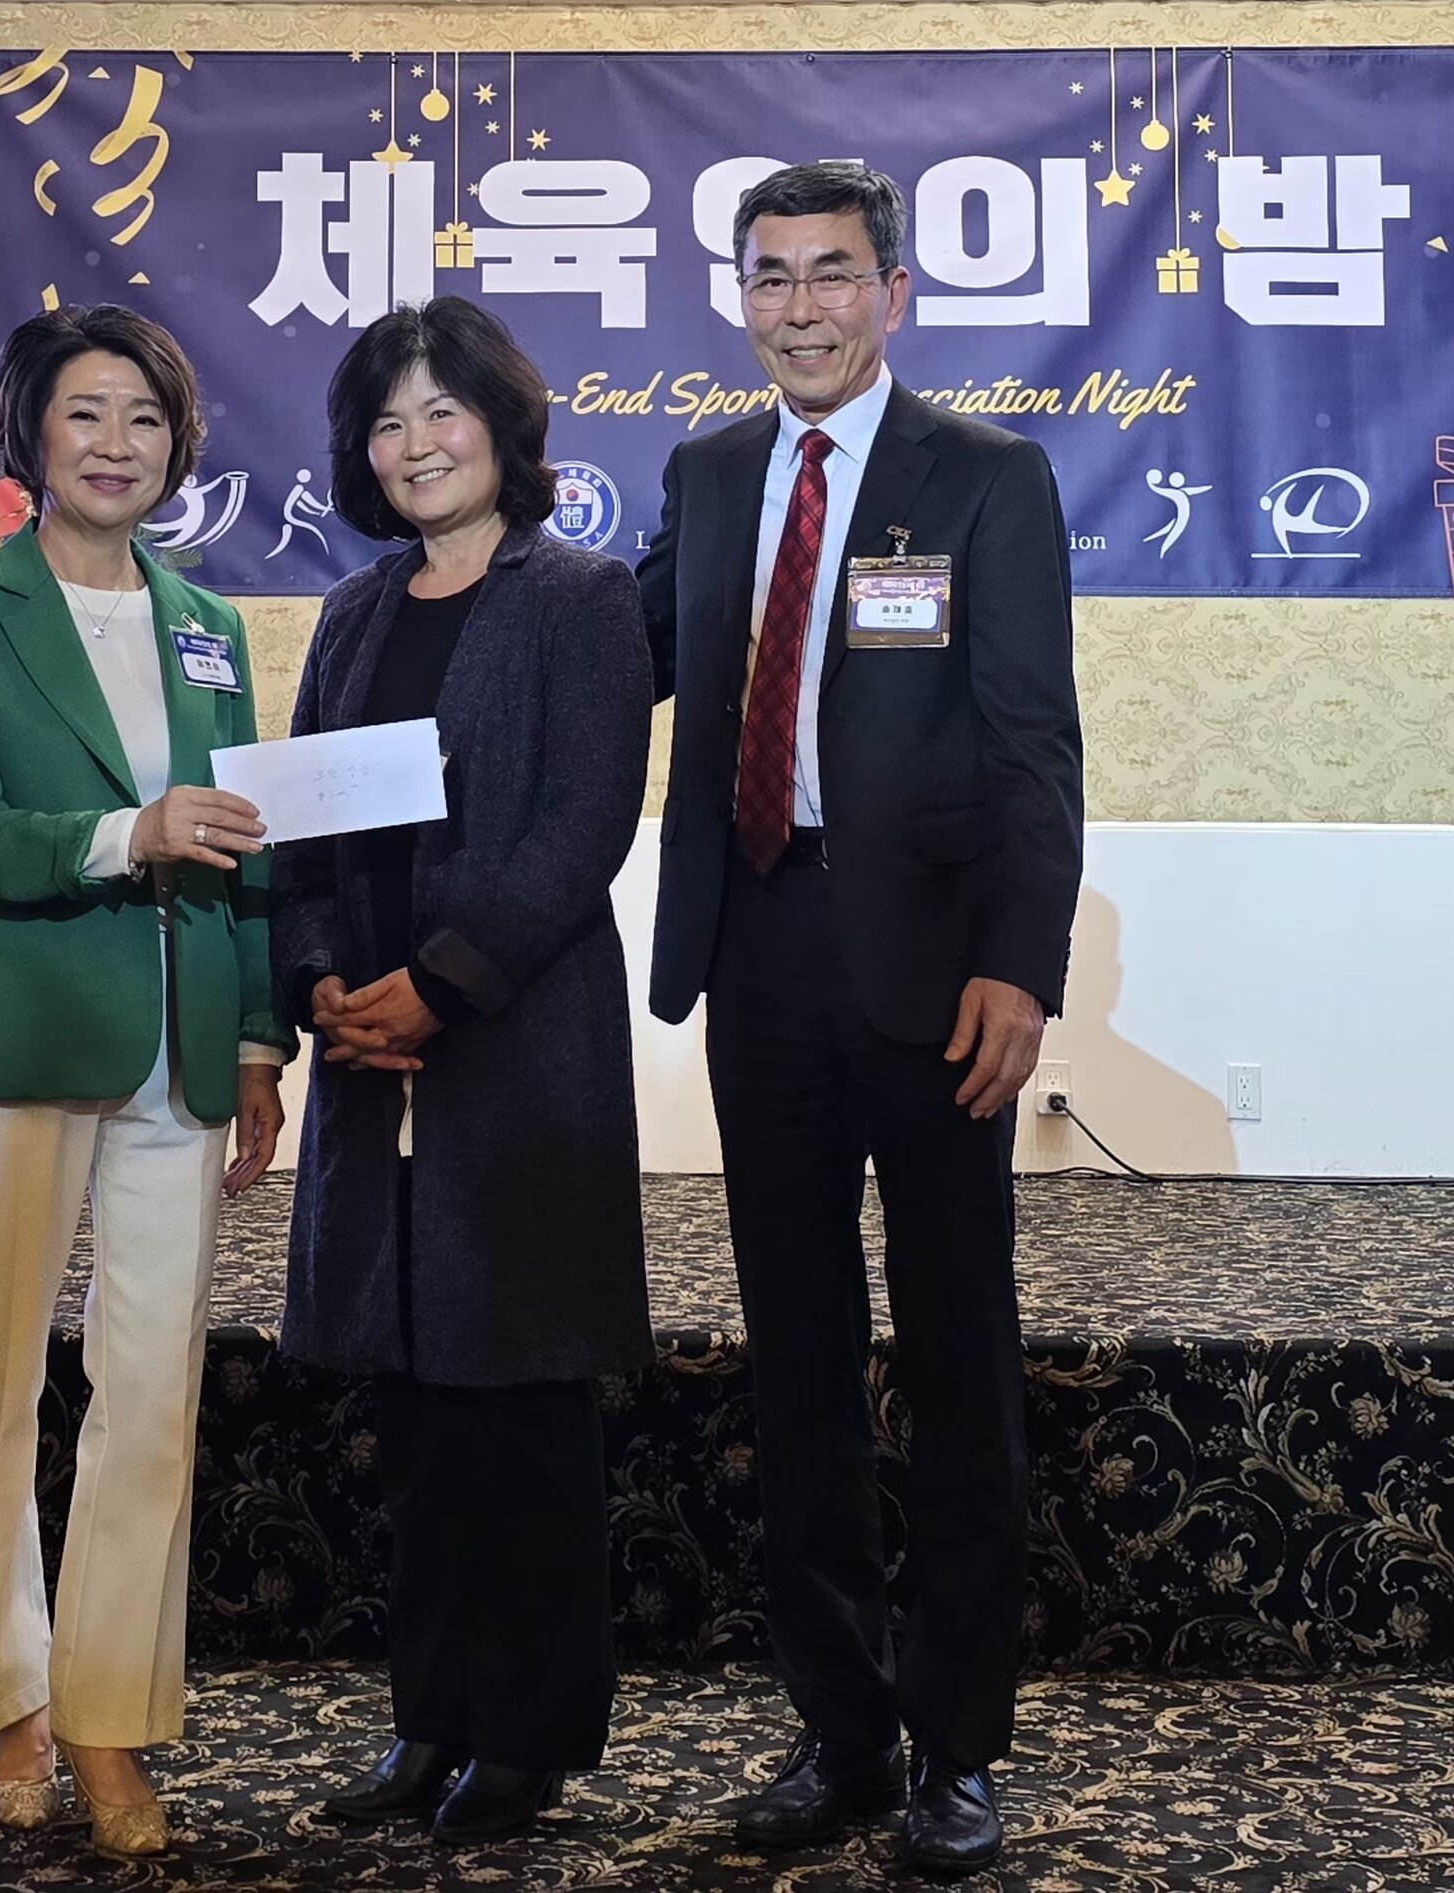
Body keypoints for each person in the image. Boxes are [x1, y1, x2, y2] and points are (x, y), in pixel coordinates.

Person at [637, 162, 1084, 1876]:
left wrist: (1020, 963)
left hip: (935, 970)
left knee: (958, 1350)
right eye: (770, 277)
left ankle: (957, 1745)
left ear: (895, 294)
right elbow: (620, 653)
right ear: (739, 298)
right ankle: (838, 1731)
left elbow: (1033, 741)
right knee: (798, 1355)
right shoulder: (706, 474)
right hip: (757, 949)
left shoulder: (986, 478)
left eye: (832, 274)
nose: (801, 307)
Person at [0, 303, 293, 1858]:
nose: (117, 443)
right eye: (86, 413)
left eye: (145, 418)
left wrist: (257, 1041)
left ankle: (112, 1716)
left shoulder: (207, 624)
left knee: (153, 1398)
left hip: (180, 1054)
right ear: (30, 435)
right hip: (8, 1042)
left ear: (178, 446)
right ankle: (9, 1697)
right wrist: (129, 832)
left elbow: (243, 841)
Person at [270, 296, 654, 1846]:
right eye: (386, 422)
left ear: (503, 427)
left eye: (443, 412)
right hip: (373, 1063)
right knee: (416, 1419)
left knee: (522, 1412)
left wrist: (439, 984)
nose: (417, 443)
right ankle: (426, 1720)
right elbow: (298, 827)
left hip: (519, 1056)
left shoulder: (581, 599)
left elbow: (583, 827)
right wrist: (320, 983)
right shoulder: (353, 614)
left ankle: (530, 1734)